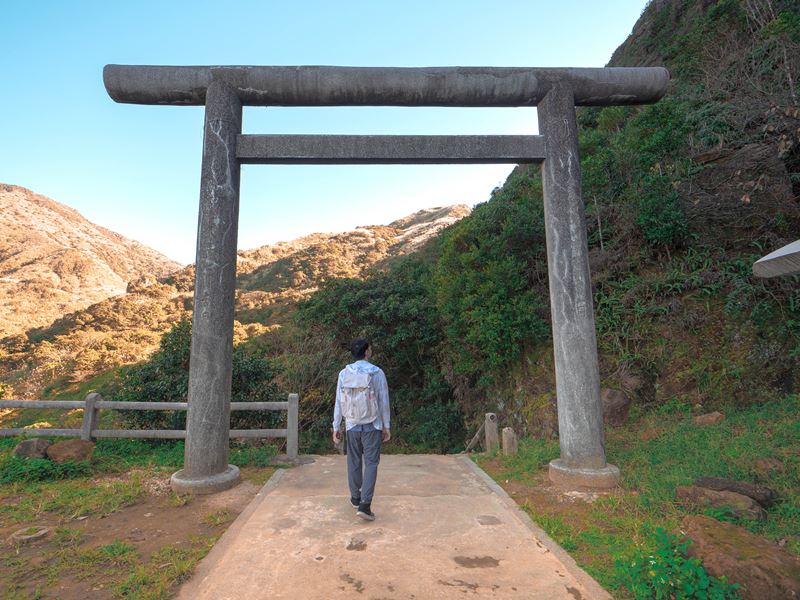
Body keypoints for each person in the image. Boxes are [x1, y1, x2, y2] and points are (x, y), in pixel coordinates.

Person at [332, 339, 391, 521]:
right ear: (366, 352)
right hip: (373, 424)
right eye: (370, 348)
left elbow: (339, 401)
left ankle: (356, 498)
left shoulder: (344, 373)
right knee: (371, 463)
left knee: (354, 461)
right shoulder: (377, 373)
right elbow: (383, 401)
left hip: (351, 424)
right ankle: (365, 505)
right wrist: (386, 426)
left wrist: (336, 426)